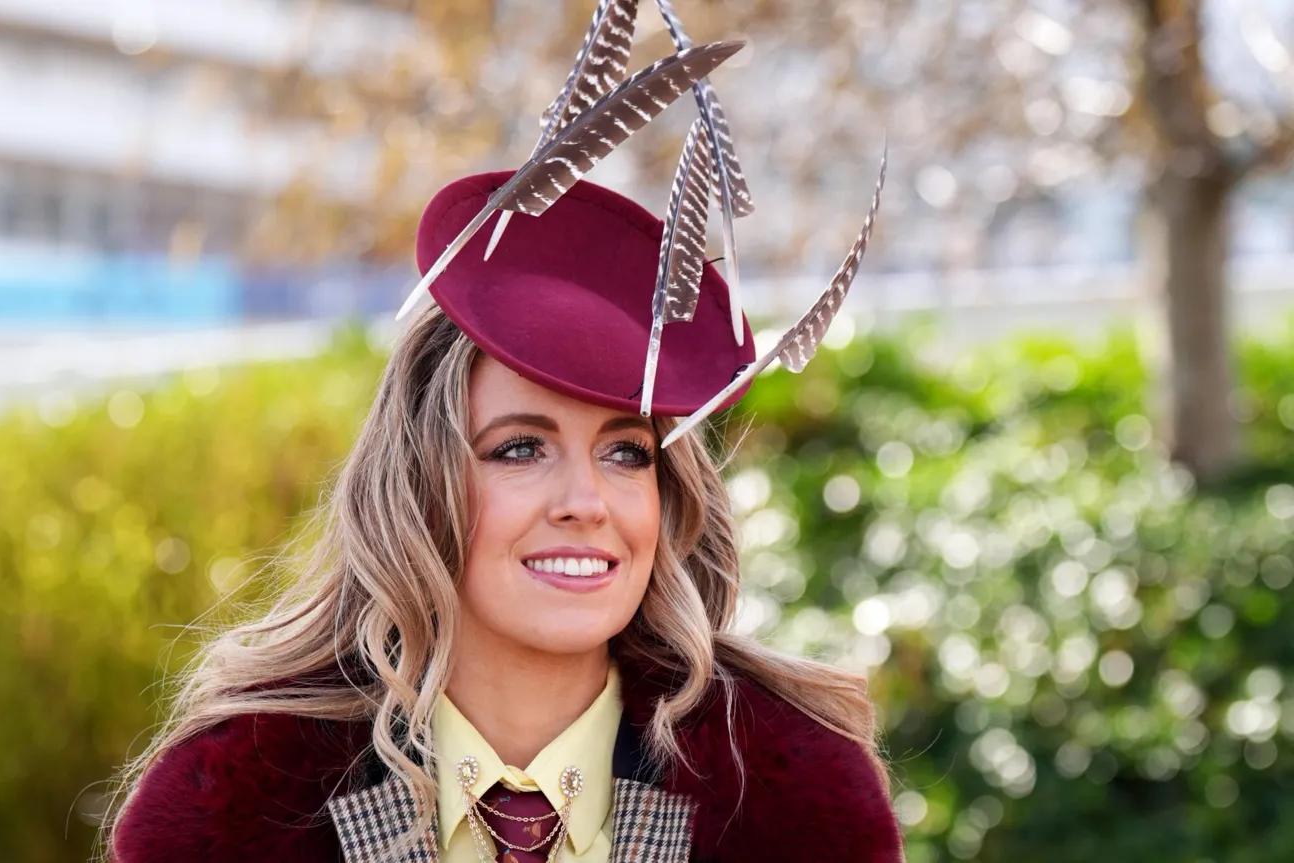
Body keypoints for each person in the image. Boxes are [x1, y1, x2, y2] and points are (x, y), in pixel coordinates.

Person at [108, 5, 898, 861]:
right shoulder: (238, 810)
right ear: (419, 481)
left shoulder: (788, 804)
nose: (586, 503)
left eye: (626, 452)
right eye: (520, 447)